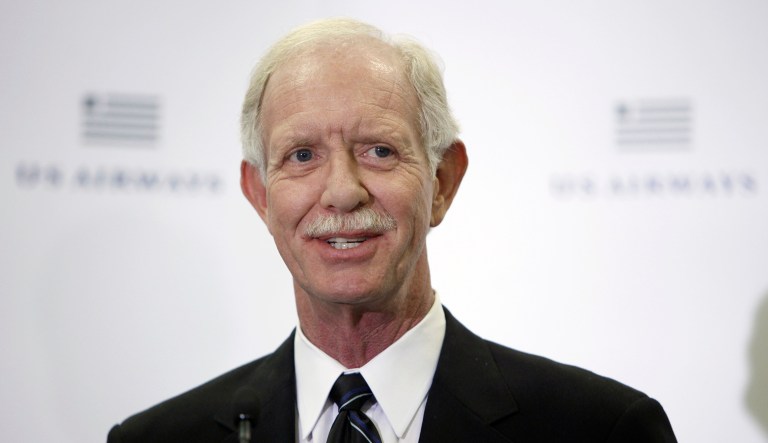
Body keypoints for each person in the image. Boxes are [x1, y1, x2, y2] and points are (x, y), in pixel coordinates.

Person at [107, 18, 677, 442]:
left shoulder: (601, 430)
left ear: (442, 181)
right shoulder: (156, 440)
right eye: (302, 155)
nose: (342, 191)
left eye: (379, 151)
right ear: (259, 194)